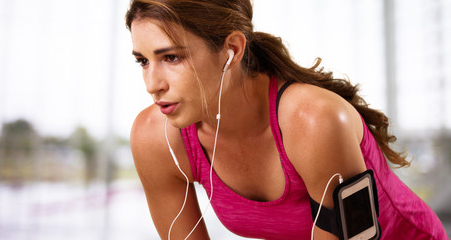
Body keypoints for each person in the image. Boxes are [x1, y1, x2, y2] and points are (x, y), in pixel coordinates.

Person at [125, 0, 448, 239]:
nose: (153, 84)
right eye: (143, 61)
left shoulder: (314, 121)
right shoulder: (155, 138)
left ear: (232, 51)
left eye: (171, 57)